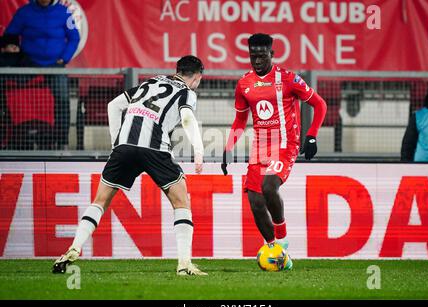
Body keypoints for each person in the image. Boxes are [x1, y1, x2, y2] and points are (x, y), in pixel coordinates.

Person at [53, 55, 207, 276]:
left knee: (100, 201)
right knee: (181, 200)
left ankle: (74, 247)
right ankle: (184, 265)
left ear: (178, 70)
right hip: (155, 148)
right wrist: (199, 151)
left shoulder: (150, 82)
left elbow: (113, 105)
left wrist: (117, 141)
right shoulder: (187, 92)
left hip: (124, 147)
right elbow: (187, 118)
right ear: (197, 77)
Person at [221, 34, 327, 269]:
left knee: (270, 187)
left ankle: (282, 239)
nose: (257, 60)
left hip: (285, 144)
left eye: (262, 55)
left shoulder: (288, 79)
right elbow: (240, 120)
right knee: (255, 201)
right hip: (260, 145)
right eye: (253, 56)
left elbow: (319, 104)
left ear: (272, 54)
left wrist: (311, 136)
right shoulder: (244, 83)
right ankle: (276, 252)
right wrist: (228, 148)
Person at [5, 0, 81, 150]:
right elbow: (10, 34)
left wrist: (64, 58)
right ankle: (9, 137)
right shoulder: (24, 11)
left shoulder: (64, 12)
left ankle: (62, 142)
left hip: (55, 65)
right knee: (5, 86)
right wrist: (10, 46)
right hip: (29, 62)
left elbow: (74, 37)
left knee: (63, 100)